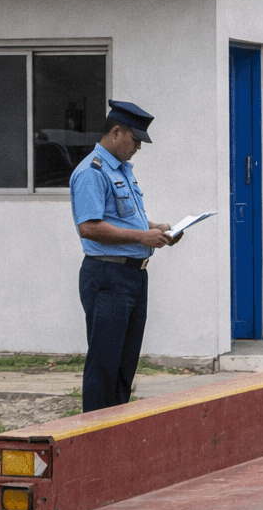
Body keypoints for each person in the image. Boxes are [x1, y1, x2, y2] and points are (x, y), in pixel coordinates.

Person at [69, 100, 181, 412]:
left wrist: (154, 228)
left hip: (132, 276)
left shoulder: (121, 171)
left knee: (124, 363)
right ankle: (95, 432)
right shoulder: (93, 171)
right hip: (108, 276)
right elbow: (89, 227)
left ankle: (115, 428)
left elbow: (123, 218)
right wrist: (142, 236)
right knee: (105, 362)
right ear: (117, 132)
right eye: (135, 140)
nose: (138, 149)